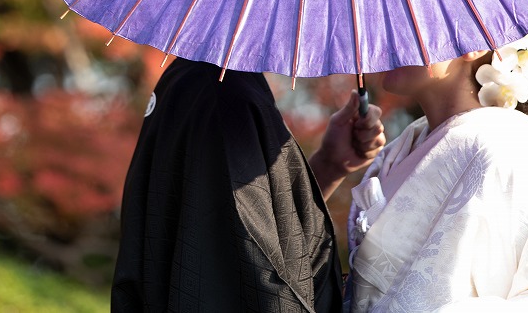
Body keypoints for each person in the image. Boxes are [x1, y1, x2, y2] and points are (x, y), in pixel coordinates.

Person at [345, 22, 528, 312]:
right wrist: (329, 165)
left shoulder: (514, 166)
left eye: (407, 19)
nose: (386, 31)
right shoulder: (393, 157)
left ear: (472, 40)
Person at [112, 57, 386, 312]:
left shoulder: (205, 79)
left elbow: (254, 223)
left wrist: (329, 164)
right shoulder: (223, 96)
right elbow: (250, 269)